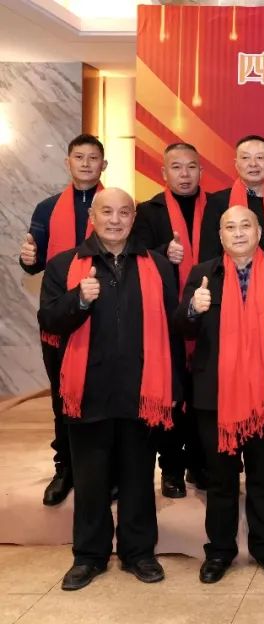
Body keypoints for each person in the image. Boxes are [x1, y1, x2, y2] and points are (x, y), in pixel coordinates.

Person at [38, 188, 178, 591]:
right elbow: (48, 321)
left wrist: (174, 388)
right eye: (107, 212)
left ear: (133, 218)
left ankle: (139, 553)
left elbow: (171, 330)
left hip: (141, 392)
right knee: (90, 481)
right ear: (93, 217)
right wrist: (78, 300)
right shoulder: (64, 265)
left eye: (124, 213)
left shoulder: (157, 265)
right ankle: (89, 556)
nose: (115, 220)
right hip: (88, 392)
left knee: (138, 478)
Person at [175, 205, 264, 584]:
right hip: (215, 396)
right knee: (220, 480)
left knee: (262, 477)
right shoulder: (203, 274)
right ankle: (219, 552)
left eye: (245, 226)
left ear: (259, 232)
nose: (238, 233)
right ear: (220, 236)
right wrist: (192, 309)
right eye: (230, 227)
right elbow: (181, 328)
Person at [20, 133, 107, 507]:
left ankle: (106, 472)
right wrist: (27, 259)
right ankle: (66, 469)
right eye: (79, 157)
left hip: (104, 314)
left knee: (104, 396)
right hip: (59, 315)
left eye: (93, 158)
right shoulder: (47, 208)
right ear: (67, 162)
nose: (86, 164)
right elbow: (35, 261)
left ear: (104, 165)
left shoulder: (114, 204)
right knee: (62, 395)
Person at [132, 141, 212, 498]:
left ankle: (199, 464)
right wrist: (164, 253)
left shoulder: (218, 207)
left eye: (191, 167)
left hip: (208, 316)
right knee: (171, 394)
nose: (184, 174)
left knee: (203, 396)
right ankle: (171, 470)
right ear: (164, 173)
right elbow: (135, 257)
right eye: (176, 167)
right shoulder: (148, 212)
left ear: (200, 171)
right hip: (165, 317)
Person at [202, 135, 264, 262]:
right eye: (245, 158)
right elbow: (208, 256)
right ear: (236, 164)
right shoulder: (218, 202)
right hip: (231, 273)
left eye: (260, 157)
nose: (253, 164)